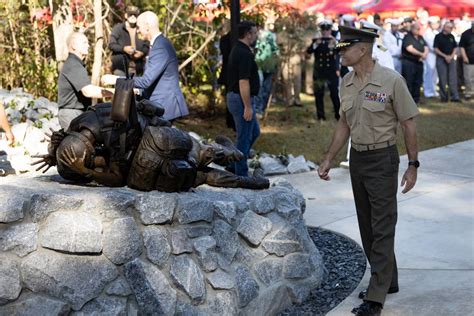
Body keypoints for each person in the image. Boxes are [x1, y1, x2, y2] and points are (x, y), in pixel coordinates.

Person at [318, 25, 419, 316]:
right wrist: (328, 157)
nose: (340, 52)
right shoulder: (346, 83)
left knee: (383, 226)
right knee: (368, 226)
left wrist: (413, 165)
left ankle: (376, 296)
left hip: (383, 159)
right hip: (358, 160)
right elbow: (343, 124)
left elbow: (409, 123)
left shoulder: (391, 81)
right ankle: (390, 281)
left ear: (362, 49)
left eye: (344, 48)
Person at [102, 11, 189, 122]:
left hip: (165, 106)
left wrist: (116, 79)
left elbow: (146, 81)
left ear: (147, 27)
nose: (137, 31)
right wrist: (138, 91)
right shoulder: (158, 44)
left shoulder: (160, 46)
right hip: (159, 104)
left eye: (139, 27)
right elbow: (154, 79)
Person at [58, 32, 113, 129]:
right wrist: (115, 92)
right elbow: (88, 91)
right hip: (71, 114)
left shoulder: (76, 63)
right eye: (84, 43)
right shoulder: (73, 64)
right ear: (74, 46)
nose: (88, 45)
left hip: (75, 113)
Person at [226, 21, 260, 177]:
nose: (256, 35)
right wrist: (247, 106)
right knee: (244, 137)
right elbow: (243, 81)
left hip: (239, 98)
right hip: (241, 100)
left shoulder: (240, 49)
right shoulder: (243, 53)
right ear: (248, 34)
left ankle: (234, 164)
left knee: (254, 132)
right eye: (254, 32)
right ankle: (241, 174)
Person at [306, 20, 341, 121]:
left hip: (331, 71)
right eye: (324, 30)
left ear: (330, 30)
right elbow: (309, 51)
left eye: (328, 29)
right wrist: (316, 44)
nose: (326, 32)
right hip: (319, 71)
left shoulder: (334, 41)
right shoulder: (316, 41)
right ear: (321, 30)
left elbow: (342, 50)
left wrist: (336, 43)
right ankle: (320, 115)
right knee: (319, 94)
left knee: (334, 93)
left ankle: (338, 115)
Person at [109, 5, 149, 76]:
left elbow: (147, 44)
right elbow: (111, 44)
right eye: (131, 14)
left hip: (138, 69)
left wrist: (142, 53)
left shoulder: (141, 29)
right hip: (121, 68)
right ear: (126, 15)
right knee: (122, 86)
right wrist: (124, 49)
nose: (133, 16)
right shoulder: (118, 28)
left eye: (135, 15)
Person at [254, 19, 279, 115]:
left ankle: (263, 108)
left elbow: (275, 49)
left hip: (269, 64)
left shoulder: (271, 36)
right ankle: (258, 108)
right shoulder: (255, 35)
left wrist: (277, 58)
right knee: (259, 86)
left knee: (267, 88)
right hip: (258, 64)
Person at [434, 21, 461, 102]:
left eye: (451, 28)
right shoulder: (438, 36)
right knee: (442, 78)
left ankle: (454, 96)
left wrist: (451, 56)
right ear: (445, 27)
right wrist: (445, 56)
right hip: (441, 59)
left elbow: (455, 47)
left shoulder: (451, 36)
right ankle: (443, 97)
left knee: (453, 78)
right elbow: (436, 49)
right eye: (449, 27)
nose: (451, 29)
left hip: (451, 58)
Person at [402, 23, 428, 103]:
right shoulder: (408, 37)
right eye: (417, 29)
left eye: (419, 29)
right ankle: (408, 99)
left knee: (418, 81)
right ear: (412, 29)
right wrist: (421, 54)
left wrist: (424, 54)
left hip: (419, 62)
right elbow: (409, 48)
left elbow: (426, 47)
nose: (419, 30)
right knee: (409, 80)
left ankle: (416, 98)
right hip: (410, 62)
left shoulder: (420, 37)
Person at [217, 20, 235, 130]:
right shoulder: (225, 40)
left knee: (230, 96)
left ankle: (230, 120)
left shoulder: (224, 40)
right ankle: (230, 120)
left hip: (228, 72)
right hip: (229, 72)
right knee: (231, 96)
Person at [423, 17, 440, 98]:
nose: (437, 25)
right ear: (430, 24)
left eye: (437, 23)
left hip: (437, 54)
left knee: (435, 74)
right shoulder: (427, 33)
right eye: (435, 23)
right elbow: (431, 46)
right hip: (430, 55)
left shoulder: (436, 32)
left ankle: (433, 90)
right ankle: (428, 91)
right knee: (429, 73)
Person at [459, 21, 474, 99]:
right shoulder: (465, 34)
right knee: (468, 77)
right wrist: (464, 57)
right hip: (468, 59)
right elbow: (461, 47)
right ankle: (469, 93)